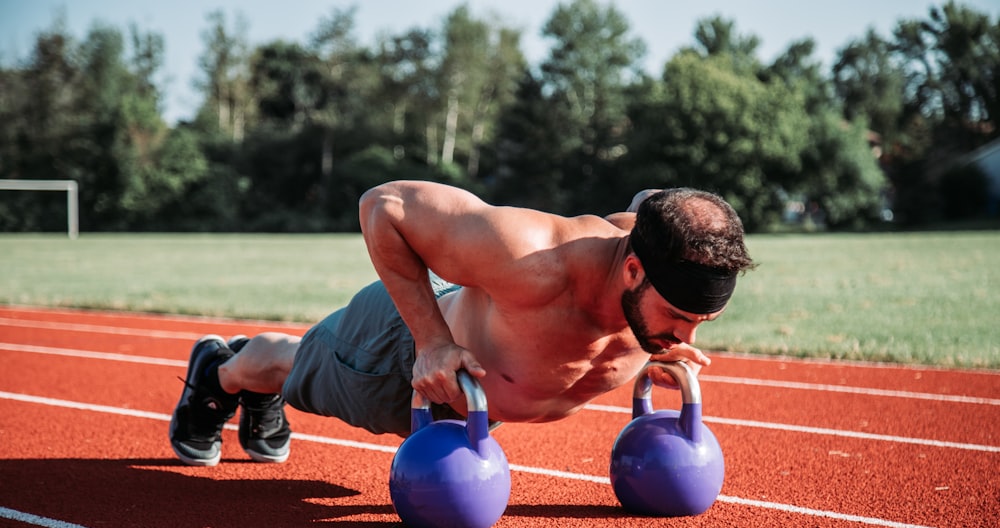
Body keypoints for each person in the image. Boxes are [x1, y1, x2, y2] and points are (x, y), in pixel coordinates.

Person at [168, 181, 755, 466]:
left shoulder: (658, 255)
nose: (687, 340)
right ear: (631, 270)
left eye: (703, 322)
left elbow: (653, 196)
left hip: (477, 385)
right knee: (292, 366)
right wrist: (431, 342)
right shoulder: (533, 256)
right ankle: (224, 371)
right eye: (678, 319)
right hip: (398, 355)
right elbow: (384, 207)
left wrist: (663, 335)